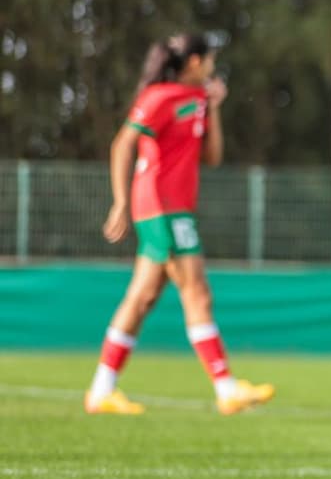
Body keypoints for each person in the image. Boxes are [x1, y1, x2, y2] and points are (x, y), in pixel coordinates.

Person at [84, 33, 275, 417]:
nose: (213, 67)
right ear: (194, 61)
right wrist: (120, 202)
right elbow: (123, 144)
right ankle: (226, 388)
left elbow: (212, 157)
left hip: (176, 208)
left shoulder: (198, 101)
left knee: (141, 298)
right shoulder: (159, 97)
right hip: (161, 207)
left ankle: (101, 391)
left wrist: (214, 107)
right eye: (210, 59)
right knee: (197, 293)